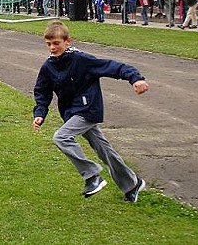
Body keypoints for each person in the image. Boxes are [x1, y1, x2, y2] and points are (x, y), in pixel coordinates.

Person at [32, 21, 149, 202]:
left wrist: (135, 78)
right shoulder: (48, 66)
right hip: (71, 113)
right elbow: (42, 91)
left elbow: (113, 66)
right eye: (48, 44)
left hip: (88, 109)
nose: (52, 48)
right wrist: (40, 113)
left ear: (67, 41)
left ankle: (92, 176)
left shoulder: (81, 60)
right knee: (104, 150)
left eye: (56, 43)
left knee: (61, 137)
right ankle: (132, 184)